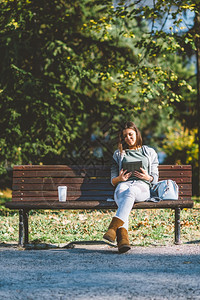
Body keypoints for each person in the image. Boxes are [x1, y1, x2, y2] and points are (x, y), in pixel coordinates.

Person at [103, 121, 159, 253]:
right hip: (123, 185)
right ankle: (123, 241)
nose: (128, 138)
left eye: (130, 134)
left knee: (132, 191)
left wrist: (147, 177)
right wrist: (120, 179)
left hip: (142, 186)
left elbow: (155, 178)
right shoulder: (118, 154)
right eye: (125, 136)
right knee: (125, 194)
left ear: (136, 134)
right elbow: (113, 180)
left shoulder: (149, 152)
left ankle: (113, 228)